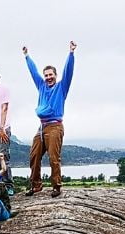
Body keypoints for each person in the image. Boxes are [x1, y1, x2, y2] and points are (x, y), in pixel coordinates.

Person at [23, 41, 77, 197]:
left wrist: (71, 53)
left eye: (50, 75)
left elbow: (69, 71)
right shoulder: (41, 86)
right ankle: (36, 185)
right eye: (46, 75)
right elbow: (33, 72)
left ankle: (56, 186)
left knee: (54, 157)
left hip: (55, 126)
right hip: (41, 127)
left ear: (55, 75)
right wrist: (27, 56)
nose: (48, 77)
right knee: (34, 155)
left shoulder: (62, 87)